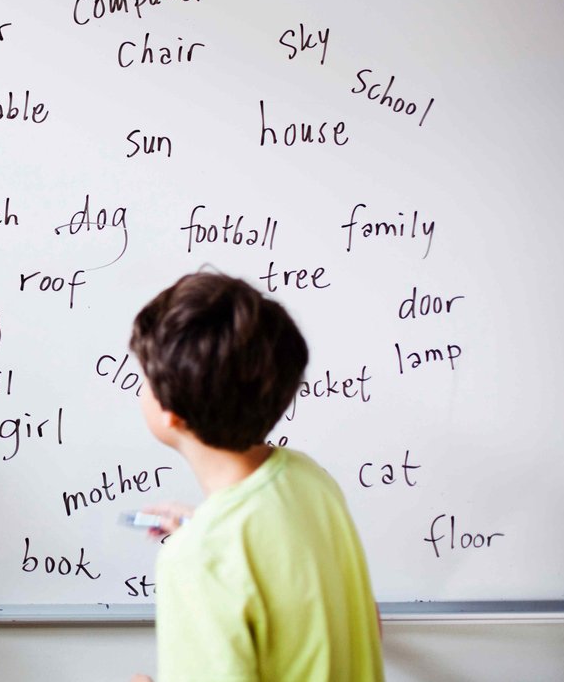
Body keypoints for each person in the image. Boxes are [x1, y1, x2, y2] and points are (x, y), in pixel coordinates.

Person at [127, 272, 383, 682]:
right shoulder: (311, 481)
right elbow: (362, 621)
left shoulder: (196, 561)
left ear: (169, 411)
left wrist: (209, 545)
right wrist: (207, 530)